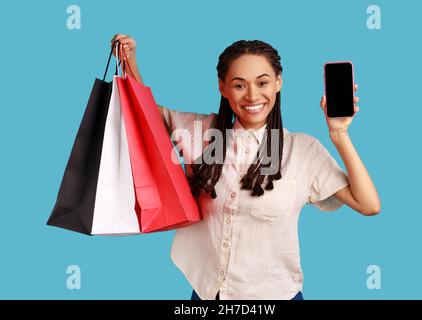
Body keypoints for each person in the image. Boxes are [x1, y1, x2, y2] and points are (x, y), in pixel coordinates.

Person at [110, 34, 381, 300]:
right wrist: (129, 61)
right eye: (239, 85)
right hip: (207, 294)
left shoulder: (302, 150)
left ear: (278, 83)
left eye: (262, 82)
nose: (252, 95)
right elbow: (142, 113)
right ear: (222, 87)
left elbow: (368, 204)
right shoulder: (201, 132)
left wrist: (339, 134)